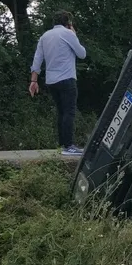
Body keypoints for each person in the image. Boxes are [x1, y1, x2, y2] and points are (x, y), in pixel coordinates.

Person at [29, 10, 87, 156]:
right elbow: (82, 54)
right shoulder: (68, 34)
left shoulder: (44, 36)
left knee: (61, 112)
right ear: (68, 23)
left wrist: (34, 80)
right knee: (69, 111)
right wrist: (74, 34)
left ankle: (62, 144)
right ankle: (68, 145)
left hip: (51, 81)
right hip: (67, 78)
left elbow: (37, 59)